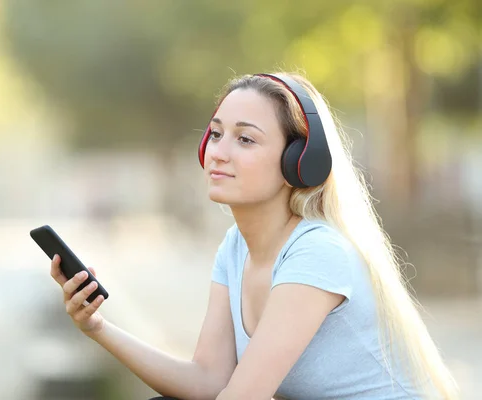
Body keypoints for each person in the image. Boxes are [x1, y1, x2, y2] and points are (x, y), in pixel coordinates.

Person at [50, 72, 460, 400]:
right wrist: (97, 328)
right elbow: (208, 381)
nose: (219, 152)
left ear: (301, 161)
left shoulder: (317, 252)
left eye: (245, 139)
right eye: (215, 134)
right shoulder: (235, 247)